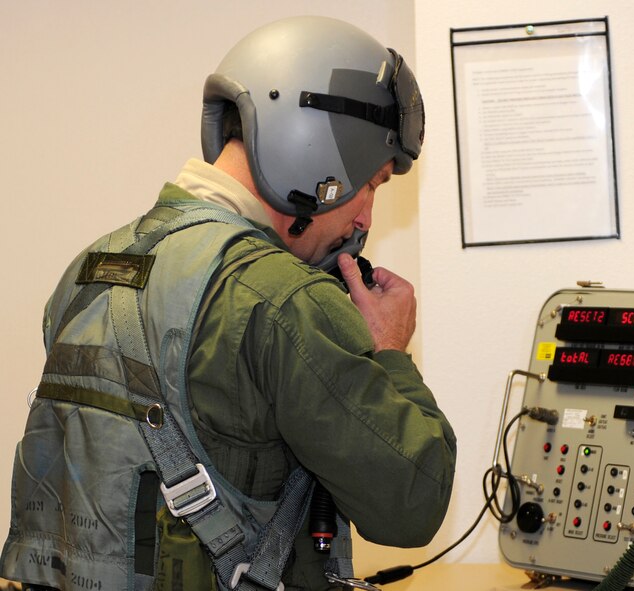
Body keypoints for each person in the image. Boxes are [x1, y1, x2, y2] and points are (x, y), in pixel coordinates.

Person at [0, 15, 457, 591]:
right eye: (372, 184)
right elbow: (413, 505)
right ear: (320, 158)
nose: (365, 218)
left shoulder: (89, 271)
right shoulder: (284, 300)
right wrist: (389, 351)